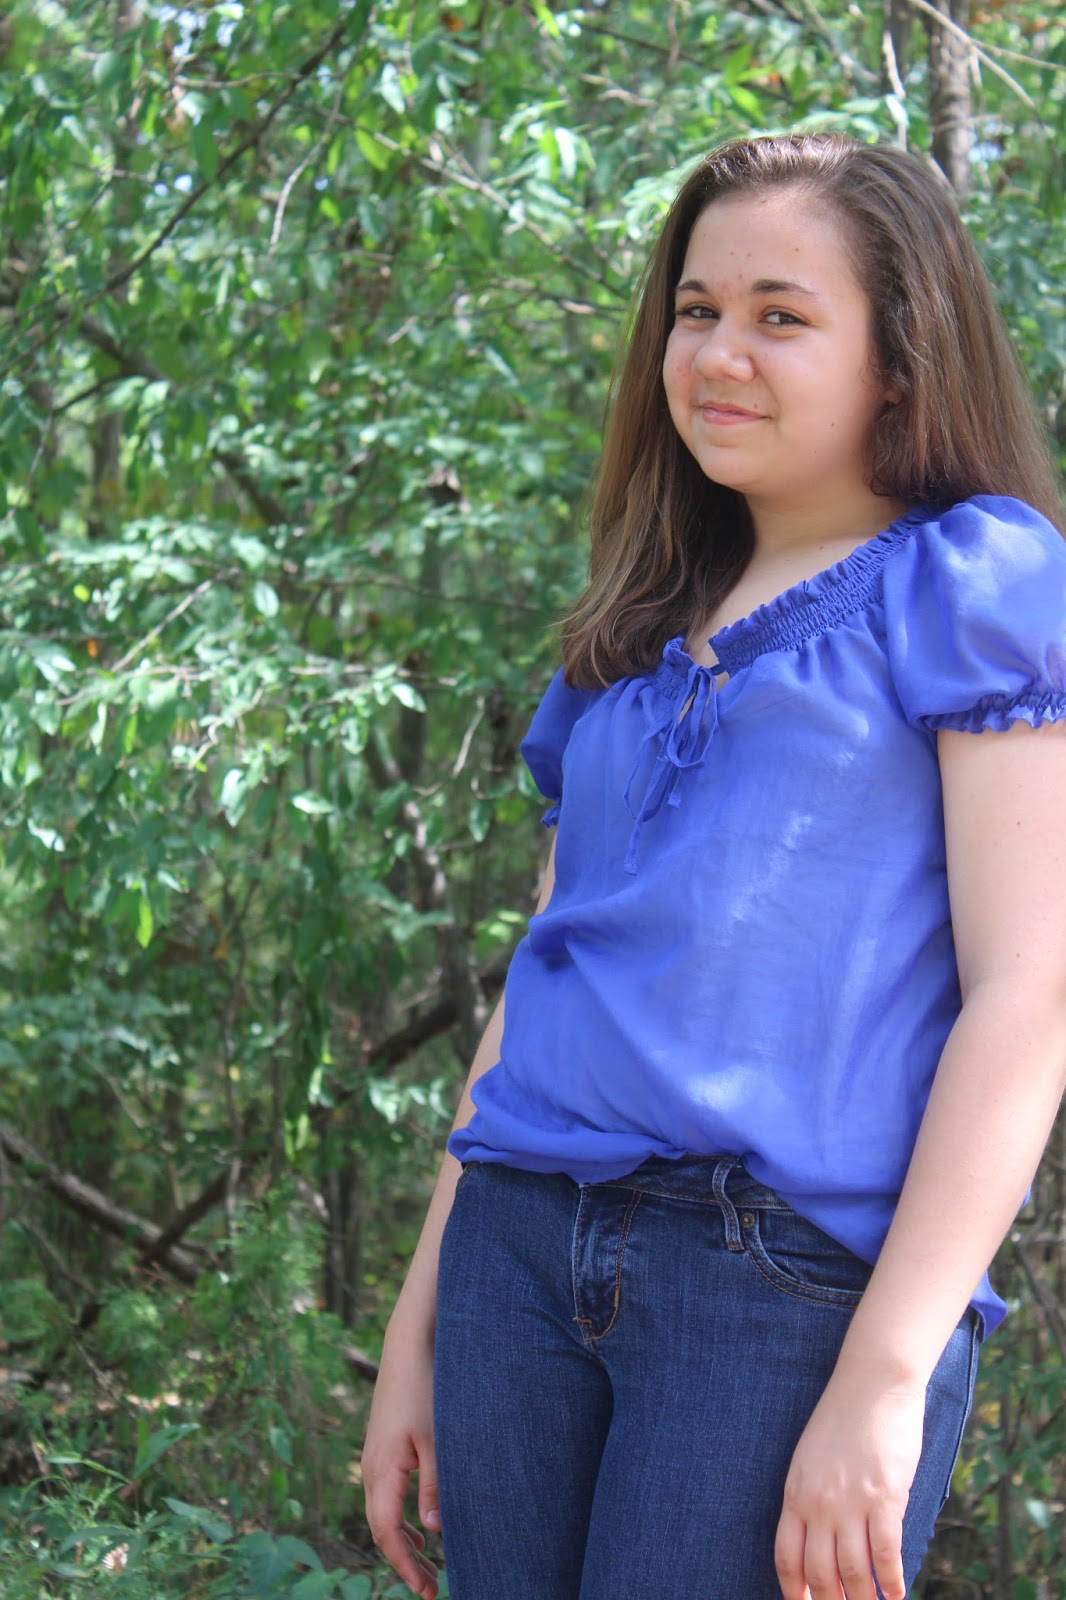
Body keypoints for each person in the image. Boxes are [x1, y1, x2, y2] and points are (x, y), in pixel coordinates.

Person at [361, 132, 1066, 1600]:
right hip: (518, 1254)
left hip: (783, 1287)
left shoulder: (974, 583)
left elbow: (1032, 994)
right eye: (696, 310)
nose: (718, 353)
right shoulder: (630, 629)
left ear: (899, 359)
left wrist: (888, 1371)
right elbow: (540, 982)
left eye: (779, 315)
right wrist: (420, 1315)